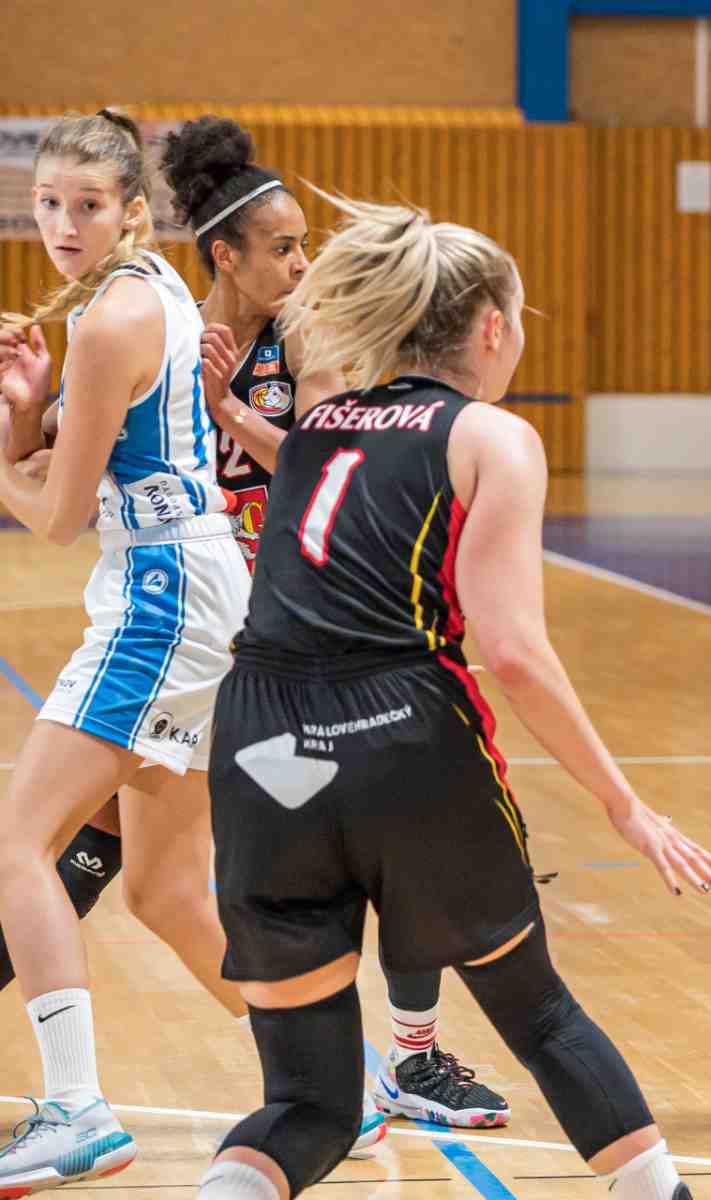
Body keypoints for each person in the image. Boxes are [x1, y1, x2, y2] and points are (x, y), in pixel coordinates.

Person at [196, 194, 711, 1200]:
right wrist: (625, 804)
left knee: (308, 1107)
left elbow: (305, 466)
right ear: (489, 327)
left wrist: (229, 413)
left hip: (262, 745)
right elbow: (513, 652)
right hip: (402, 740)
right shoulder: (489, 435)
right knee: (542, 1017)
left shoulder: (318, 426)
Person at [162, 113, 511, 1132]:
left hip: (303, 618)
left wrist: (232, 416)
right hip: (198, 619)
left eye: (305, 244)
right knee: (120, 852)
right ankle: (342, 1069)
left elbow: (323, 465)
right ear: (224, 256)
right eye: (284, 247)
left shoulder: (306, 337)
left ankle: (407, 1059)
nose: (303, 264)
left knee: (379, 842)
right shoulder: (169, 330)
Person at [0, 110, 254, 1192]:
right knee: (164, 891)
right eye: (47, 203)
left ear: (134, 211)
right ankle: (332, 1077)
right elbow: (60, 465)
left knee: (16, 845)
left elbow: (54, 517)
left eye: (87, 204)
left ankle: (75, 1110)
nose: (63, 223)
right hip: (191, 586)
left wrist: (3, 454)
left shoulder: (111, 321)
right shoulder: (148, 294)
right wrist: (25, 414)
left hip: (163, 599)